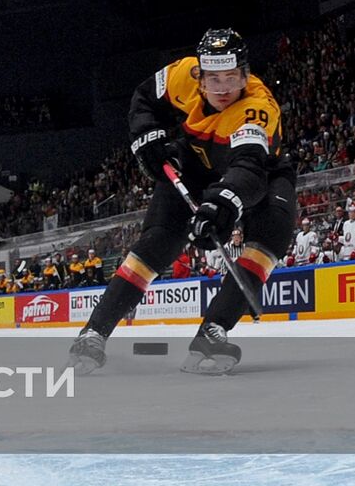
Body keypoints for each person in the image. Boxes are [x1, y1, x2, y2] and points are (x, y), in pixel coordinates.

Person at [69, 29, 296, 374]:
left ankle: (213, 330)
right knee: (157, 242)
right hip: (193, 164)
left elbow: (249, 169)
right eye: (213, 78)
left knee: (271, 234)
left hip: (261, 171)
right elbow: (144, 97)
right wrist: (146, 135)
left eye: (231, 78)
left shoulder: (257, 109)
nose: (222, 88)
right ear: (199, 76)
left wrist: (221, 205)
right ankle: (93, 333)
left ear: (245, 75)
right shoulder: (182, 74)